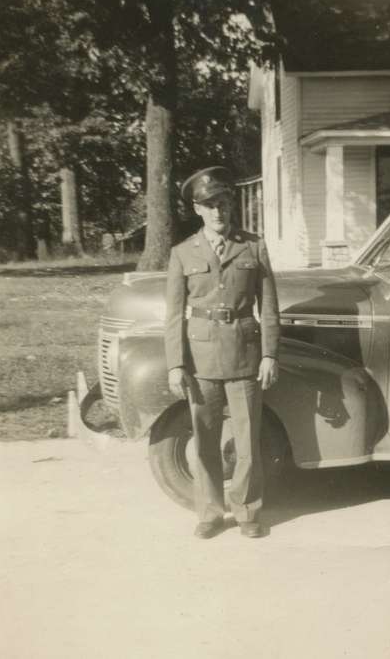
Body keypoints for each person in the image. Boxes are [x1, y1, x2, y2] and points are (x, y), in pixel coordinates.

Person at [165, 166, 280, 539]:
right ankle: (211, 513)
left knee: (247, 442)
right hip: (201, 360)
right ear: (197, 210)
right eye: (209, 205)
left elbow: (270, 306)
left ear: (232, 205)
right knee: (205, 440)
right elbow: (172, 316)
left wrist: (269, 354)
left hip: (246, 354)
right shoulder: (183, 253)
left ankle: (247, 513)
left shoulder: (253, 246)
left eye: (223, 203)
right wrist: (175, 364)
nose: (218, 212)